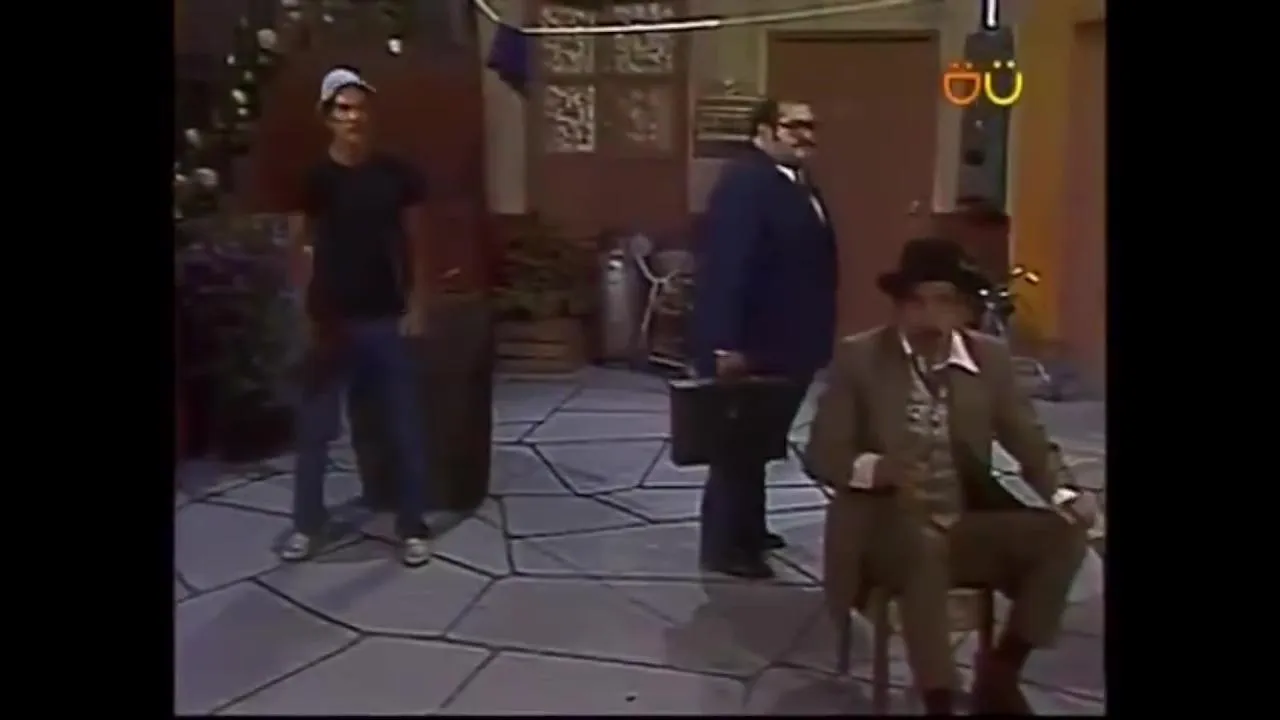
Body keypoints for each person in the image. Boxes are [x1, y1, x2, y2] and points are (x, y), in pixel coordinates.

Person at [803, 237, 1090, 714]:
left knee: (1064, 535)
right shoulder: (861, 358)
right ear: (899, 306)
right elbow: (822, 455)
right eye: (916, 302)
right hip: (884, 530)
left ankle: (1001, 672)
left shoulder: (989, 359)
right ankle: (939, 700)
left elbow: (1029, 441)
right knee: (923, 549)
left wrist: (1065, 493)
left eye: (942, 301)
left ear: (963, 309)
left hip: (961, 522)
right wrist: (876, 469)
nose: (928, 315)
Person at [279, 67, 433, 567]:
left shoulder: (396, 176)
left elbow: (416, 242)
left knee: (404, 426)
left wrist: (418, 302)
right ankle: (307, 524)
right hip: (331, 320)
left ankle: (412, 526)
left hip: (385, 316)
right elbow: (299, 245)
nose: (353, 117)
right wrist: (304, 307)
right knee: (315, 429)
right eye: (343, 109)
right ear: (328, 117)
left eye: (360, 108)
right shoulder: (315, 179)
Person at [691, 99, 838, 579]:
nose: (806, 135)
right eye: (794, 126)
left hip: (791, 340)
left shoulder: (795, 181)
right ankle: (725, 546)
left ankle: (750, 527)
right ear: (763, 131)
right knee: (738, 447)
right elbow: (727, 267)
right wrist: (725, 344)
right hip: (754, 342)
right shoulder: (747, 184)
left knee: (762, 442)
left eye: (811, 125)